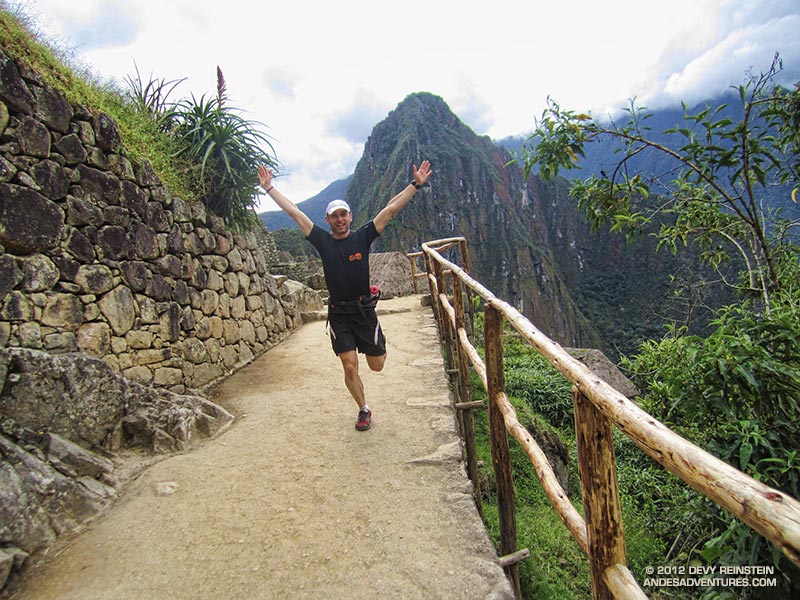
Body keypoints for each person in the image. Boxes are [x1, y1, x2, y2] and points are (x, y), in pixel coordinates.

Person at [257, 160, 432, 431]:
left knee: (376, 366)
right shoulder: (322, 242)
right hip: (339, 314)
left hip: (364, 312)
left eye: (343, 215)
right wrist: (269, 189)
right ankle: (363, 409)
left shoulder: (362, 237)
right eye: (334, 216)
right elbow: (295, 213)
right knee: (350, 366)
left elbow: (390, 209)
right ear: (328, 220)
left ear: (349, 217)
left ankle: (376, 345)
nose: (339, 220)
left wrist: (416, 185)